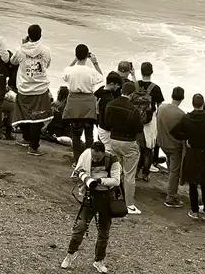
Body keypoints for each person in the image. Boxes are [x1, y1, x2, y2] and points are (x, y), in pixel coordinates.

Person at [61, 141, 122, 274]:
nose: (94, 159)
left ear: (104, 153)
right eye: (93, 157)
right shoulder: (86, 155)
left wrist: (99, 181)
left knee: (103, 231)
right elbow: (76, 173)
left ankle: (99, 261)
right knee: (80, 226)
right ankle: (70, 254)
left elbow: (116, 180)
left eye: (98, 158)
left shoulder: (113, 160)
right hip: (90, 196)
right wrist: (82, 177)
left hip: (107, 198)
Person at [170, 93, 205, 222]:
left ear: (193, 104)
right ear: (203, 104)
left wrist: (186, 137)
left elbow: (174, 131)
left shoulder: (187, 118)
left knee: (192, 184)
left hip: (191, 152)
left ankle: (194, 211)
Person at [10, 24, 53, 156]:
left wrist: (22, 45)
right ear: (40, 35)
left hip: (24, 87)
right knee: (37, 118)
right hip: (40, 88)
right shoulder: (45, 50)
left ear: (28, 35)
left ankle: (26, 139)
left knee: (25, 114)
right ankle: (33, 147)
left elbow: (13, 61)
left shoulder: (21, 49)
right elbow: (48, 64)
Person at [103, 82, 144, 215]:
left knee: (115, 171)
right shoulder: (134, 110)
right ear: (132, 94)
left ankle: (112, 197)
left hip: (113, 140)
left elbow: (107, 123)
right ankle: (129, 205)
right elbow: (139, 129)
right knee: (129, 175)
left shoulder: (110, 104)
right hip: (129, 143)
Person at [62, 44, 105, 165]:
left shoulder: (70, 70)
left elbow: (65, 74)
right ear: (87, 56)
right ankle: (89, 160)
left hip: (74, 101)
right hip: (88, 101)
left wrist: (75, 60)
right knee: (89, 133)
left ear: (76, 55)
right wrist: (95, 63)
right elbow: (101, 78)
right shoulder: (91, 71)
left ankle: (77, 160)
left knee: (76, 134)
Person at [157, 86, 186, 208]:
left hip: (162, 143)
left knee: (170, 169)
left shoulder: (161, 107)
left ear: (172, 95)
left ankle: (170, 189)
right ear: (182, 98)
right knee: (174, 172)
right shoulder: (181, 114)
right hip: (174, 146)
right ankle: (171, 197)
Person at [135, 62, 165, 182]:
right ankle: (146, 173)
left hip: (135, 118)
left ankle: (136, 171)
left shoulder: (134, 85)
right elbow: (160, 106)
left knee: (136, 147)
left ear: (141, 72)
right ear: (151, 72)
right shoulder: (155, 88)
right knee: (148, 148)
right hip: (149, 119)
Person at [94, 72, 122, 151]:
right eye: (117, 85)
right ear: (112, 84)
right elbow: (110, 117)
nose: (118, 87)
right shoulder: (109, 99)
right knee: (108, 150)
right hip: (105, 129)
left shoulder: (99, 91)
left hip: (99, 124)